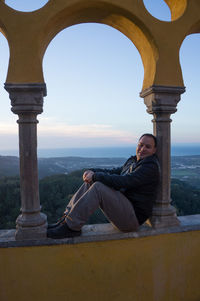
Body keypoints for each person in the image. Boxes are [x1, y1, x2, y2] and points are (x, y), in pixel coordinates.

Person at [47, 133, 160, 239]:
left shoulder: (150, 167)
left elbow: (126, 181)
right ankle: (66, 221)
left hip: (132, 219)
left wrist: (96, 176)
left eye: (148, 147)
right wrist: (92, 171)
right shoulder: (133, 161)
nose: (142, 149)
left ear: (154, 150)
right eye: (140, 145)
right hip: (124, 209)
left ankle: (71, 228)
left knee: (98, 187)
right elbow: (113, 172)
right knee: (91, 182)